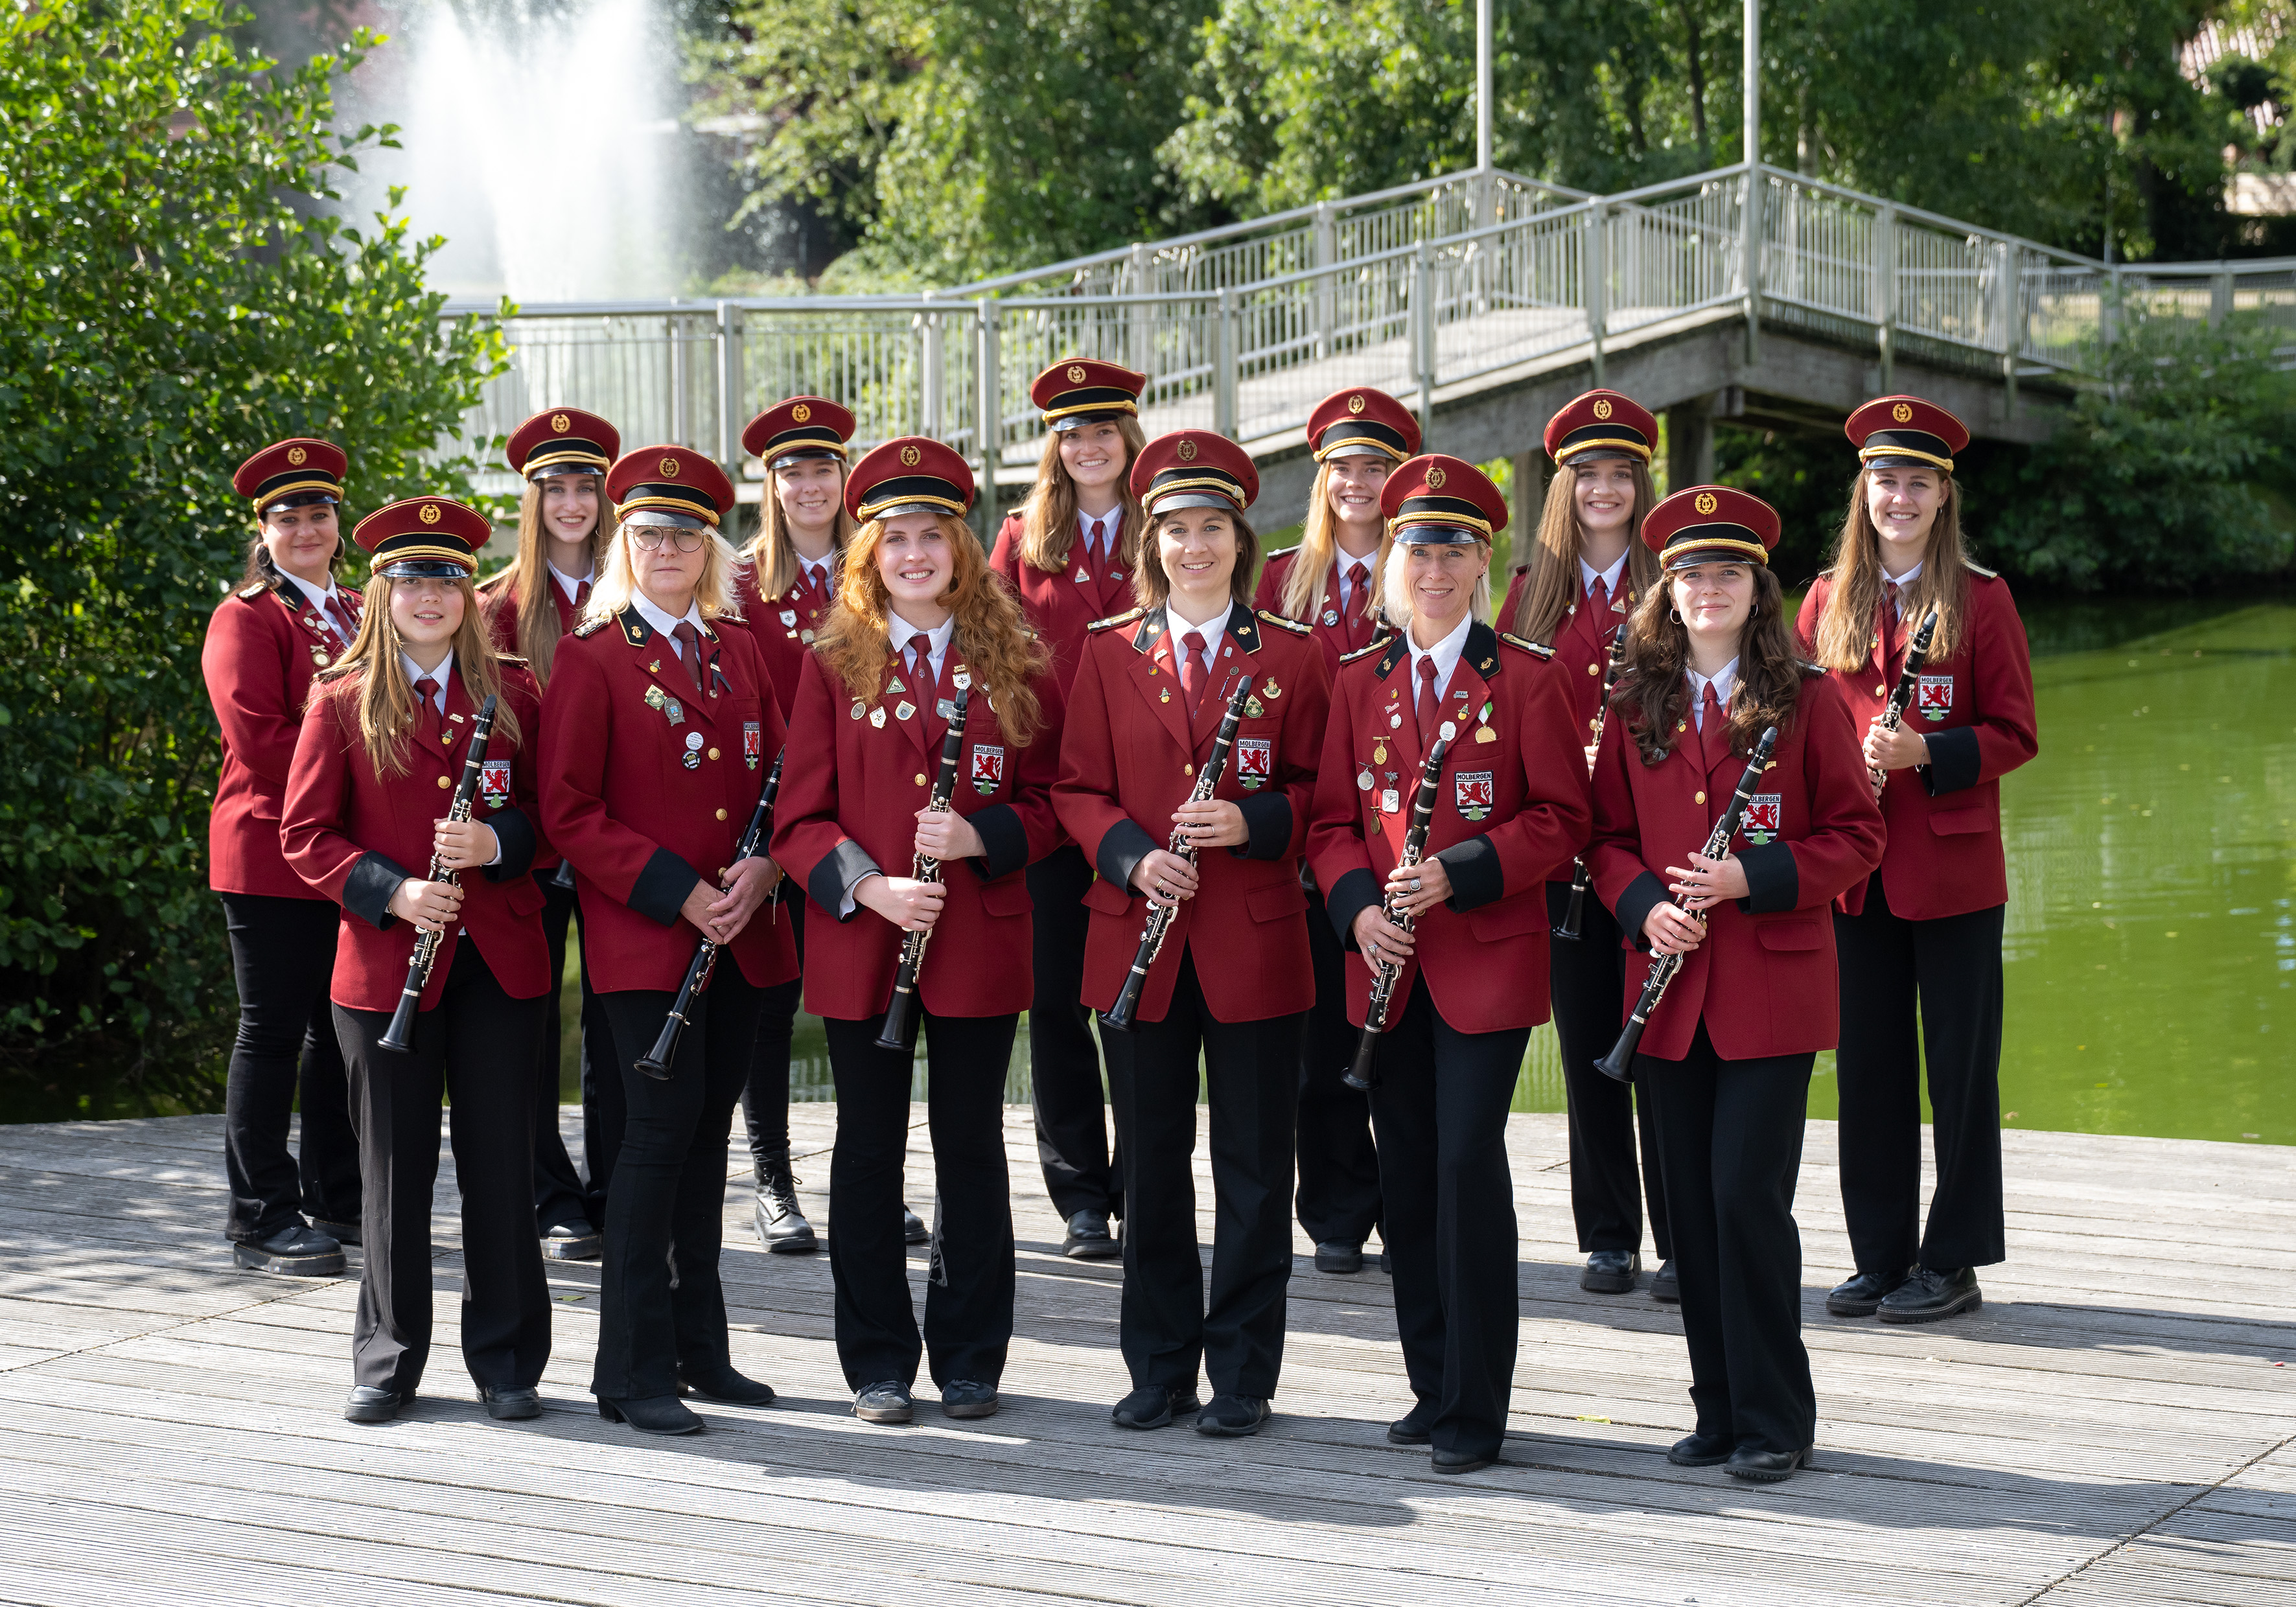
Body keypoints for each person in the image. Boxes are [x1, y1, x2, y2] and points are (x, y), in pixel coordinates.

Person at [1584, 484, 1884, 1483]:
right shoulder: (1636, 702)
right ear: (1667, 592)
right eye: (1690, 575)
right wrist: (1643, 909)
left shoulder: (1808, 698)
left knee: (1745, 1198)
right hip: (1665, 993)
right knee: (1690, 1215)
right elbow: (1605, 841)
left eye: (1727, 573)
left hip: (1770, 994)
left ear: (1757, 589)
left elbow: (1859, 837)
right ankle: (1716, 1409)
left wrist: (1748, 879)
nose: (1708, 589)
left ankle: (1775, 1418)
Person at [772, 437, 1065, 1426]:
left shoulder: (1015, 658)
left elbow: (1054, 805)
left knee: (971, 1147)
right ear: (869, 553)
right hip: (868, 940)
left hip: (978, 935)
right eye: (894, 538)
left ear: (960, 548)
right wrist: (871, 887)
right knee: (866, 1151)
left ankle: (972, 1357)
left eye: (931, 536)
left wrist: (982, 836)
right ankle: (878, 1363)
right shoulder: (830, 663)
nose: (912, 555)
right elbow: (798, 824)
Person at [1305, 455, 1588, 1475]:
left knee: (1466, 1164)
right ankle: (1432, 1387)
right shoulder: (1356, 679)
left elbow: (1563, 820)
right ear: (1396, 559)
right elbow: (1329, 824)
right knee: (1409, 1176)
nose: (1435, 569)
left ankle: (1478, 1404)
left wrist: (1458, 874)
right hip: (1384, 967)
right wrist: (1355, 914)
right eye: (1419, 550)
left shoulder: (1527, 677)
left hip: (1483, 964)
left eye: (1455, 551)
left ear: (1482, 564)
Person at [1054, 429, 1330, 1438]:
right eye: (1176, 529)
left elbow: (1323, 793)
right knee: (1151, 1167)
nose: (1195, 546)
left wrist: (1253, 823)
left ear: (1240, 540)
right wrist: (1131, 856)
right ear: (1153, 542)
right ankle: (1160, 1367)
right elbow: (1074, 788)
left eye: (1213, 527)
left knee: (1255, 1170)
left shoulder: (1294, 655)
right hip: (1139, 936)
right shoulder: (1107, 650)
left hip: (1254, 940)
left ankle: (1244, 1375)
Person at [540, 445, 799, 1436]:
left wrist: (767, 865)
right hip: (650, 940)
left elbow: (785, 776)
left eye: (686, 535)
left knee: (705, 1139)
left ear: (709, 548)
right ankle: (629, 1370)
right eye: (649, 534)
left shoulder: (739, 648)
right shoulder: (594, 656)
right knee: (653, 1143)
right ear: (626, 545)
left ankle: (700, 1350)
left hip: (743, 931)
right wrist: (680, 892)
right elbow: (568, 811)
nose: (667, 549)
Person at [281, 495, 555, 1425]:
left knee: (500, 1168)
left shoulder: (515, 694)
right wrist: (393, 892)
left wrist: (499, 844)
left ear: (469, 593)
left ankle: (508, 1360)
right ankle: (389, 1359)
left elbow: (559, 817)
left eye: (446, 579)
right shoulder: (341, 698)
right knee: (393, 1174)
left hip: (499, 964)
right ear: (382, 593)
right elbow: (304, 835)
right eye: (411, 580)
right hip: (385, 965)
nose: (429, 596)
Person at [1796, 397, 2037, 1325]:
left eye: (1918, 483)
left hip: (1955, 878)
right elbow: (1799, 726)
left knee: (1961, 1075)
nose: (1900, 498)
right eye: (1885, 481)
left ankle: (1954, 1260)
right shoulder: (1827, 600)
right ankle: (1881, 1255)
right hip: (1854, 877)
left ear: (1943, 496)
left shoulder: (1982, 598)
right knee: (1869, 1070)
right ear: (1864, 493)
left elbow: (2016, 732)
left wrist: (1925, 752)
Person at [1496, 390, 1674, 1302]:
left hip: (1655, 853)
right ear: (1564, 488)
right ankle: (1608, 1234)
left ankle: (1682, 1235)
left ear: (1642, 484)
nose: (1605, 490)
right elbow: (1500, 716)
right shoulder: (1531, 591)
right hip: (1563, 861)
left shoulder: (1675, 581)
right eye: (1588, 474)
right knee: (1588, 1046)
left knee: (1667, 1044)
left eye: (1621, 474)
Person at [1250, 386, 1417, 1278]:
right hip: (1300, 838)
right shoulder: (1282, 581)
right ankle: (1336, 1212)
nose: (1359, 482)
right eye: (1343, 467)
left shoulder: (1427, 565)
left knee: (1400, 1035)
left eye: (1377, 467)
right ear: (1321, 480)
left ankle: (1409, 1207)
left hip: (1399, 838)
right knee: (1319, 1043)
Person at [989, 358, 1150, 1261]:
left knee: (1139, 1004)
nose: (1089, 447)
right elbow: (987, 653)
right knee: (1054, 1005)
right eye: (1072, 434)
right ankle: (1081, 1195)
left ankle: (1143, 1180)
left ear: (1127, 437)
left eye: (1103, 430)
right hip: (1050, 806)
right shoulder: (1022, 538)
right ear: (1054, 446)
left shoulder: (1167, 524)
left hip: (1142, 807)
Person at [202, 437, 364, 1277]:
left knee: (338, 1032)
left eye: (319, 513)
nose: (306, 529)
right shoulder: (247, 616)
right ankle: (261, 1214)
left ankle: (338, 1198)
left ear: (339, 522)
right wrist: (370, 785)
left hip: (349, 851)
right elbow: (260, 739)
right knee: (270, 1032)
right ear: (262, 532)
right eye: (288, 517)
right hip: (270, 851)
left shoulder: (364, 609)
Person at [480, 406, 621, 1264]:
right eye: (555, 488)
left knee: (615, 1022)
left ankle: (616, 1191)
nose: (572, 503)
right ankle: (550, 1194)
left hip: (615, 839)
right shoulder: (494, 607)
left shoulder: (636, 594)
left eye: (586, 487)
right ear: (531, 501)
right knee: (529, 1024)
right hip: (530, 841)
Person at [726, 395, 857, 1255]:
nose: (810, 486)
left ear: (845, 476)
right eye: (792, 472)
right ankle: (772, 1182)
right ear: (769, 485)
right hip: (771, 823)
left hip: (863, 821)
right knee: (770, 1006)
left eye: (823, 469)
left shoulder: (880, 564)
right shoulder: (737, 584)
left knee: (856, 1004)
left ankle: (867, 1180)